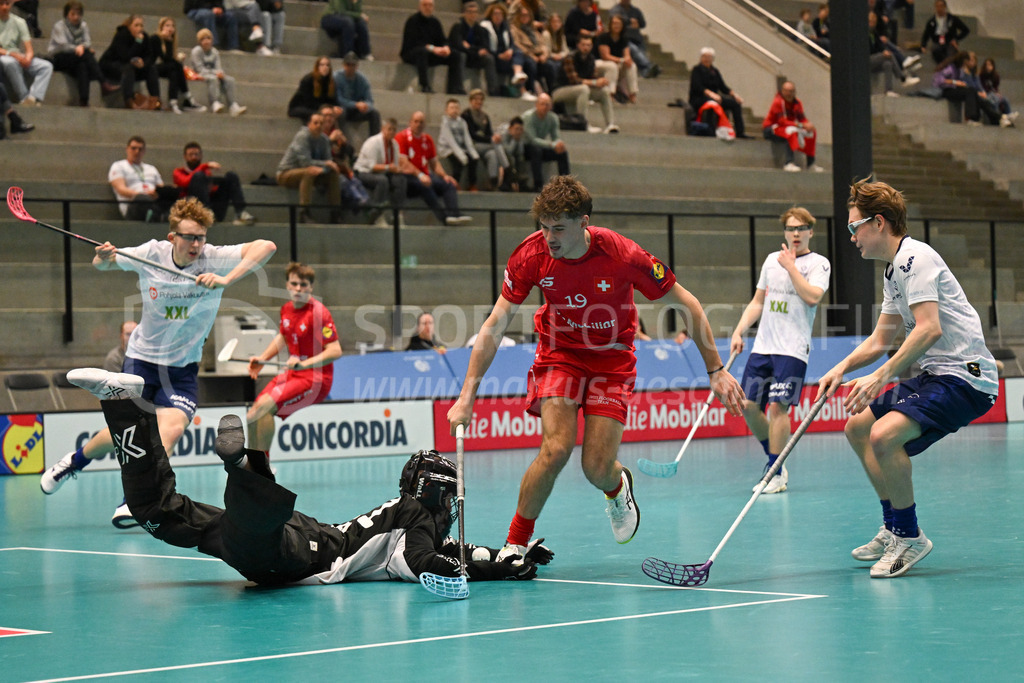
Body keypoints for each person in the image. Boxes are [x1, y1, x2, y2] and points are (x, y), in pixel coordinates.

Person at [447, 176, 745, 556]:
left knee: (596, 466)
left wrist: (715, 370)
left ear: (583, 222)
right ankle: (515, 544)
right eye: (543, 227)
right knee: (555, 449)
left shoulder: (623, 255)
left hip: (612, 361)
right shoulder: (531, 256)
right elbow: (495, 323)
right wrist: (466, 396)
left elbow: (687, 303)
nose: (549, 237)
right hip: (560, 353)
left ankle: (617, 485)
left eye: (558, 228)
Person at [64, 368, 547, 585]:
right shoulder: (416, 516)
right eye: (450, 498)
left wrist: (509, 559)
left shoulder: (409, 513)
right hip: (308, 555)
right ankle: (244, 467)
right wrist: (467, 571)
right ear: (434, 495)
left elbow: (459, 550)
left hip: (306, 534)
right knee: (253, 534)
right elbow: (424, 561)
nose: (451, 509)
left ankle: (123, 404)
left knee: (158, 513)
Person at [39, 198, 277, 529]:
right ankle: (74, 461)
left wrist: (226, 279)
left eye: (201, 237)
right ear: (172, 237)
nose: (196, 244)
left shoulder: (213, 258)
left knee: (171, 428)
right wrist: (105, 256)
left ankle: (134, 499)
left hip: (182, 371)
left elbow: (267, 246)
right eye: (189, 237)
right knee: (127, 432)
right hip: (141, 362)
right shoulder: (151, 253)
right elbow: (103, 263)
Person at [817, 179, 998, 579]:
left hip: (967, 379)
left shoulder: (917, 259)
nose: (851, 237)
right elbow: (882, 337)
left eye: (853, 227)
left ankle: (910, 536)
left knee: (884, 436)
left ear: (878, 223)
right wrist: (840, 369)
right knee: (858, 428)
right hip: (937, 374)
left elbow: (929, 328)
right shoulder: (893, 270)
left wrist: (879, 376)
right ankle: (893, 527)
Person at [730, 207, 830, 495]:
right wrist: (739, 330)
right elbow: (758, 301)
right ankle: (775, 461)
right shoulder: (771, 261)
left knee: (778, 408)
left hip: (793, 349)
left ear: (811, 231)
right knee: (748, 407)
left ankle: (774, 470)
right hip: (763, 346)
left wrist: (791, 267)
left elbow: (812, 297)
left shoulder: (819, 264)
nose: (795, 233)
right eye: (790, 228)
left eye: (801, 228)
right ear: (784, 232)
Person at [246, 262, 341, 456]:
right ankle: (252, 465)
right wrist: (262, 359)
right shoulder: (287, 309)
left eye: (303, 285)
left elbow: (335, 351)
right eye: (294, 284)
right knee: (252, 414)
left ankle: (263, 468)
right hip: (294, 373)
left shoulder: (318, 313)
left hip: (316, 379)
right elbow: (283, 335)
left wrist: (303, 363)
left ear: (310, 287)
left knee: (264, 409)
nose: (298, 289)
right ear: (287, 285)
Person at [397, 110, 472, 226]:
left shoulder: (428, 139)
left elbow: (434, 163)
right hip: (408, 178)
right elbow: (403, 162)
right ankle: (443, 218)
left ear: (424, 124)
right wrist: (420, 175)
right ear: (410, 122)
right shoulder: (401, 137)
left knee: (448, 184)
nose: (418, 125)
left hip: (425, 175)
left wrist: (445, 176)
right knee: (425, 185)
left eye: (421, 122)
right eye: (416, 121)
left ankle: (454, 214)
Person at [47, 1, 121, 107]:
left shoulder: (83, 25)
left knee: (83, 66)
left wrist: (81, 47)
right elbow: (63, 46)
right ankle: (103, 82)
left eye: (78, 14)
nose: (76, 17)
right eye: (73, 14)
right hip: (59, 57)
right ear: (66, 14)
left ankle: (84, 100)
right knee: (86, 54)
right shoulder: (59, 26)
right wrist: (78, 48)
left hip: (77, 57)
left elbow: (87, 42)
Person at [277, 110, 343, 224]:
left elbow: (329, 162)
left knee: (332, 173)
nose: (318, 126)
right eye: (315, 123)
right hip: (286, 173)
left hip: (311, 172)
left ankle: (335, 213)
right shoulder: (302, 136)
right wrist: (325, 165)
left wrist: (325, 168)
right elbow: (305, 162)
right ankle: (304, 213)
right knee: (309, 171)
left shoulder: (324, 140)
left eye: (321, 123)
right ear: (309, 124)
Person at [173, 141, 256, 225]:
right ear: (185, 156)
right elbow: (185, 182)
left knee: (231, 176)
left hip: (213, 209)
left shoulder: (206, 172)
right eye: (191, 155)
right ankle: (206, 214)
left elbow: (209, 192)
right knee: (199, 176)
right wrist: (205, 166)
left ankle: (240, 212)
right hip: (193, 211)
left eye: (196, 154)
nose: (194, 157)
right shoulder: (178, 172)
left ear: (201, 155)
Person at [551, 35, 616, 134]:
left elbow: (592, 78)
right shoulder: (570, 58)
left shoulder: (591, 59)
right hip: (560, 90)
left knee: (604, 91)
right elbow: (574, 80)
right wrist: (594, 82)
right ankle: (583, 123)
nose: (586, 48)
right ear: (578, 45)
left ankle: (610, 124)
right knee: (584, 89)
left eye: (588, 45)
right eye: (583, 45)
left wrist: (600, 82)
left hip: (579, 89)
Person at [108, 135, 180, 222]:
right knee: (141, 198)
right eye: (133, 148)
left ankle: (162, 217)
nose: (137, 151)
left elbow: (160, 189)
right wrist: (143, 194)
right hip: (133, 205)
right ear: (127, 149)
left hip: (153, 202)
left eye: (140, 149)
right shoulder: (118, 166)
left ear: (144, 151)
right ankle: (160, 217)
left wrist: (159, 193)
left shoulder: (151, 169)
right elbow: (121, 189)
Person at [400, 0, 464, 95]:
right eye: (425, 5)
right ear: (420, 7)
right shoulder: (412, 21)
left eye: (430, 5)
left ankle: (455, 88)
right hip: (412, 53)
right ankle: (424, 86)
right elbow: (413, 42)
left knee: (455, 55)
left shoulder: (435, 21)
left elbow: (442, 39)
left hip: (431, 53)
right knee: (422, 52)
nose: (427, 7)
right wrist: (432, 48)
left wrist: (445, 47)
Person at [354, 116, 408, 226]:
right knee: (382, 181)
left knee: (400, 180)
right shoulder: (373, 142)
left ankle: (397, 215)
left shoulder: (395, 145)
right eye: (389, 129)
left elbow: (394, 166)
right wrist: (389, 167)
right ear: (383, 129)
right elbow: (372, 166)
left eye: (394, 130)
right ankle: (377, 215)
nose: (392, 132)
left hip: (383, 171)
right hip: (364, 171)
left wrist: (399, 169)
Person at [98, 14, 160, 110]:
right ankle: (129, 101)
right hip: (111, 65)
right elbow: (124, 56)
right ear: (129, 26)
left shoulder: (145, 37)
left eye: (141, 25)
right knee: (128, 68)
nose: (139, 28)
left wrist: (143, 63)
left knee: (151, 68)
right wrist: (138, 42)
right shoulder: (121, 35)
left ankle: (155, 100)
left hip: (131, 66)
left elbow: (149, 56)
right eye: (136, 25)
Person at [0, 0, 52, 106]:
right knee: (9, 63)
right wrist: (15, 56)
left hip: (17, 54)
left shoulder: (19, 22)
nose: (5, 7)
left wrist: (28, 58)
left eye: (7, 4)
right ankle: (24, 97)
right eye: (1, 4)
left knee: (46, 66)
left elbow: (28, 47)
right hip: (5, 55)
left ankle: (33, 97)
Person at [762, 81, 821, 173]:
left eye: (791, 91)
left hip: (788, 126)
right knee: (791, 132)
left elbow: (802, 119)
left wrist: (808, 125)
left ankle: (810, 163)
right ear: (782, 91)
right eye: (787, 91)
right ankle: (788, 163)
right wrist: (800, 125)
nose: (789, 94)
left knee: (811, 133)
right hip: (771, 128)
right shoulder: (778, 102)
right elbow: (782, 121)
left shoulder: (797, 103)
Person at [688, 46, 747, 139]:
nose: (706, 59)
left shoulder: (715, 71)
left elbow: (723, 87)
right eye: (704, 56)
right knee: (712, 103)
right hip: (699, 98)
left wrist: (735, 95)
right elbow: (698, 87)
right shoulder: (696, 70)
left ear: (712, 59)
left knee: (735, 104)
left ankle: (740, 132)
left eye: (709, 57)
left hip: (715, 98)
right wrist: (712, 94)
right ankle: (711, 132)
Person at [150, 17, 205, 114]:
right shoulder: (155, 38)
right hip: (151, 69)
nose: (170, 28)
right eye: (167, 25)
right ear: (161, 27)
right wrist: (163, 39)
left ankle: (173, 102)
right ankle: (188, 98)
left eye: (172, 26)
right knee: (177, 66)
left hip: (166, 67)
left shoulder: (171, 41)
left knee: (174, 72)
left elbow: (168, 60)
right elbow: (163, 58)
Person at [189, 28, 247, 115]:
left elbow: (218, 67)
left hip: (213, 73)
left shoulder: (214, 51)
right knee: (213, 79)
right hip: (199, 74)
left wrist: (220, 73)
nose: (206, 41)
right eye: (203, 39)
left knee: (230, 80)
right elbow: (199, 69)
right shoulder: (196, 51)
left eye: (208, 38)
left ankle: (233, 105)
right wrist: (215, 73)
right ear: (200, 41)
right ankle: (214, 103)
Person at [448, 1, 500, 97]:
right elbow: (459, 45)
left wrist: (470, 48)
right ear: (464, 13)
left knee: (489, 58)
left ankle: (493, 90)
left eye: (475, 12)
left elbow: (485, 47)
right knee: (461, 55)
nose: (472, 14)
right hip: (462, 57)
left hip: (474, 57)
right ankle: (459, 88)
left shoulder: (481, 30)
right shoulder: (457, 27)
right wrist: (476, 50)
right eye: (470, 12)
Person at [462, 88, 510, 190]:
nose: (479, 102)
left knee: (492, 154)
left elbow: (489, 133)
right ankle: (508, 169)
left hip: (485, 146)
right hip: (472, 144)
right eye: (476, 99)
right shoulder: (466, 115)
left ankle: (492, 182)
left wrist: (492, 137)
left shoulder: (485, 116)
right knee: (496, 144)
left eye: (481, 99)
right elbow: (471, 134)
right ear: (471, 101)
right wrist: (491, 139)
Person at [522, 93, 570, 191]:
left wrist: (558, 144)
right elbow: (533, 140)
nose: (544, 107)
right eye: (542, 104)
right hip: (525, 147)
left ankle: (565, 185)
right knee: (536, 150)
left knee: (562, 152)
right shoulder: (528, 117)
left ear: (551, 106)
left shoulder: (553, 118)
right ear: (536, 105)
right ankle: (538, 185)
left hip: (541, 146)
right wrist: (552, 144)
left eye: (547, 104)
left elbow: (556, 137)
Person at [333, 51, 381, 138]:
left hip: (356, 111)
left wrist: (366, 106)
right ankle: (341, 140)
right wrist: (356, 104)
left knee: (374, 114)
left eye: (353, 65)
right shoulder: (337, 77)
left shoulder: (363, 80)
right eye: (348, 65)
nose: (350, 68)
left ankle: (374, 141)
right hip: (343, 109)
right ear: (344, 65)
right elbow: (338, 99)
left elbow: (370, 101)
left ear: (357, 66)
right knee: (341, 113)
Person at [438, 97, 481, 190]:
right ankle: (454, 185)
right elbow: (451, 141)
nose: (454, 110)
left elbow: (467, 138)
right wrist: (461, 155)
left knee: (473, 160)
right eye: (452, 108)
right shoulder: (445, 123)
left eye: (456, 108)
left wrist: (473, 152)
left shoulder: (462, 122)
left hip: (460, 148)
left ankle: (472, 184)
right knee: (458, 162)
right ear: (446, 110)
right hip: (447, 149)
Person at [607, 0, 658, 78]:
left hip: (636, 38)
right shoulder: (616, 9)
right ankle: (648, 66)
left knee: (642, 52)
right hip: (624, 38)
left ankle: (645, 72)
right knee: (635, 50)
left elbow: (643, 23)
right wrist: (630, 21)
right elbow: (615, 19)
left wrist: (637, 22)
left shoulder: (636, 11)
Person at [596, 14, 637, 103]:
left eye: (618, 23)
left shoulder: (624, 38)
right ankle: (610, 93)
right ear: (610, 25)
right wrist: (622, 60)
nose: (616, 25)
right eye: (614, 23)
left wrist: (627, 59)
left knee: (631, 65)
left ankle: (632, 93)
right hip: (600, 63)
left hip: (615, 64)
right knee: (612, 65)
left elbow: (627, 55)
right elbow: (605, 56)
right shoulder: (604, 37)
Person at [287, 55, 342, 123]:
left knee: (336, 113)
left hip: (319, 108)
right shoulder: (308, 79)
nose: (325, 67)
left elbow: (332, 99)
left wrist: (335, 108)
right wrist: (324, 109)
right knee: (317, 115)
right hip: (301, 107)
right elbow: (307, 102)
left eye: (327, 65)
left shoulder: (331, 82)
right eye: (322, 65)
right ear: (317, 67)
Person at [919, 0, 968, 65]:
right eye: (937, 6)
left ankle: (948, 67)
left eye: (941, 6)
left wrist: (956, 39)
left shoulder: (952, 19)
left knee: (950, 54)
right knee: (935, 49)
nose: (939, 9)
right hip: (937, 42)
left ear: (945, 7)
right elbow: (926, 34)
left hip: (949, 42)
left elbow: (965, 30)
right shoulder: (931, 22)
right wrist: (923, 45)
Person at [979, 57, 1018, 126]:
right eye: (987, 65)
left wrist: (997, 93)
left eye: (990, 65)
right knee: (995, 99)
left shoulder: (995, 76)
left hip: (994, 93)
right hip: (986, 93)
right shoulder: (981, 75)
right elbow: (983, 87)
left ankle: (1008, 115)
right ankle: (998, 119)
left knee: (1005, 99)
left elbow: (995, 87)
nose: (988, 67)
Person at [498, 115, 528, 191]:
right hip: (502, 156)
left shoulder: (520, 136)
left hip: (513, 155)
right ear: (510, 128)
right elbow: (508, 151)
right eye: (516, 129)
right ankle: (507, 183)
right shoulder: (504, 135)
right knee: (509, 158)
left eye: (520, 129)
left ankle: (521, 179)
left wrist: (518, 140)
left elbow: (520, 152)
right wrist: (515, 140)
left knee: (520, 158)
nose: (518, 132)